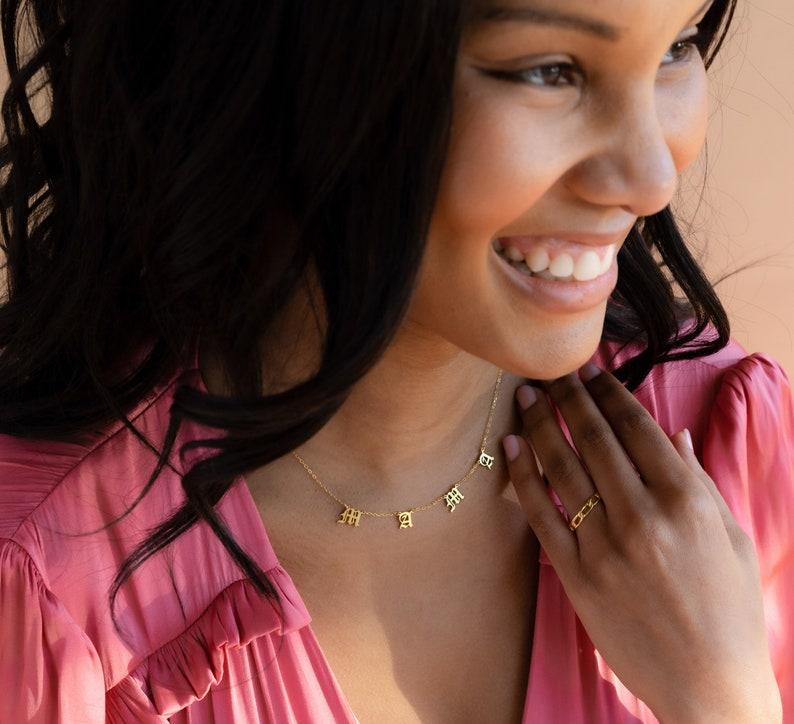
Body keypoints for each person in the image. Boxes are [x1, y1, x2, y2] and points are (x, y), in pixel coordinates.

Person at [0, 0, 791, 721]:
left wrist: (723, 700)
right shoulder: (49, 587)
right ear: (300, 67)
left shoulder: (720, 447)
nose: (653, 177)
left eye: (678, 47)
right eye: (548, 72)